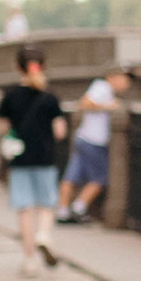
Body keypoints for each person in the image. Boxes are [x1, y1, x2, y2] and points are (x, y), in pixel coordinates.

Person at [0, 50, 67, 276]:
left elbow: (2, 128)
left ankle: (29, 260)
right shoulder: (50, 97)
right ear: (43, 66)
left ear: (18, 67)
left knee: (24, 210)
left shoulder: (10, 96)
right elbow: (59, 131)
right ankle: (44, 235)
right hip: (45, 158)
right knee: (45, 205)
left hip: (20, 160)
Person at [56, 65, 126, 222]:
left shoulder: (102, 88)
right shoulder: (102, 87)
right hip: (94, 140)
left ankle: (62, 211)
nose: (125, 84)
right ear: (112, 77)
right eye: (123, 79)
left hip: (83, 137)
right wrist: (109, 106)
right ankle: (78, 208)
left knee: (71, 176)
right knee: (99, 178)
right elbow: (84, 103)